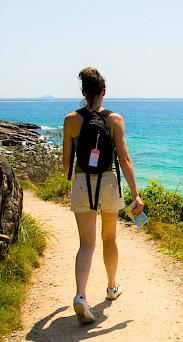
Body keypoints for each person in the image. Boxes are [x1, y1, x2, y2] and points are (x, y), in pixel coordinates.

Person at [63, 67, 144, 323]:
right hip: (109, 182)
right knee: (109, 237)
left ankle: (80, 296)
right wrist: (135, 194)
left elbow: (66, 161)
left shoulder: (71, 120)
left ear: (84, 92)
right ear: (103, 92)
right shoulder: (114, 120)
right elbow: (125, 158)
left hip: (82, 183)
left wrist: (73, 182)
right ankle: (111, 288)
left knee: (86, 244)